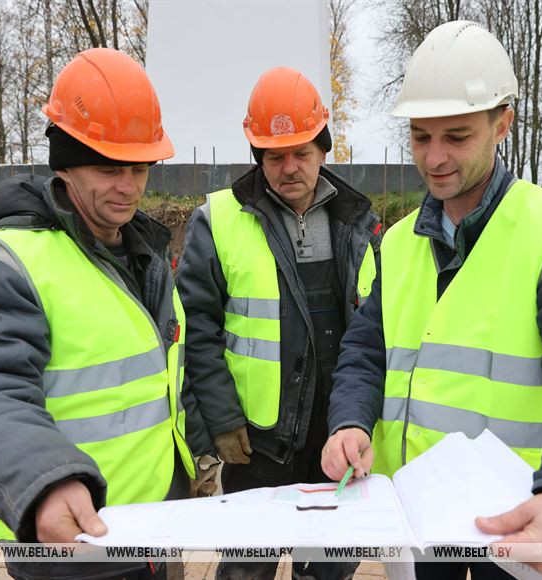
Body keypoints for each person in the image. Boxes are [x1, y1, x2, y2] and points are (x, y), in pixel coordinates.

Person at [321, 21, 542, 579]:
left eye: (457, 136)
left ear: (502, 125)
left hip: (516, 517)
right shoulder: (396, 244)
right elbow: (366, 350)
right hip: (418, 513)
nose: (435, 158)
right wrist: (349, 423)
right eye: (421, 136)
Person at [0, 48, 207, 580]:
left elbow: (162, 374)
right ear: (66, 162)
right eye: (108, 168)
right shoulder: (9, 263)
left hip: (149, 526)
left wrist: (191, 461)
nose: (128, 186)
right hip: (70, 540)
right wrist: (46, 481)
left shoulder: (143, 252)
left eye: (139, 167)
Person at [177, 66, 380, 580]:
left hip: (335, 433)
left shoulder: (359, 222)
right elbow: (196, 330)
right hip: (259, 438)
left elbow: (375, 329)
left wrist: (359, 418)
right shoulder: (219, 221)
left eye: (302, 153)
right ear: (257, 156)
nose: (289, 167)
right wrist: (221, 422)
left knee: (330, 565)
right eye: (274, 155)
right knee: (247, 567)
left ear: (324, 149)